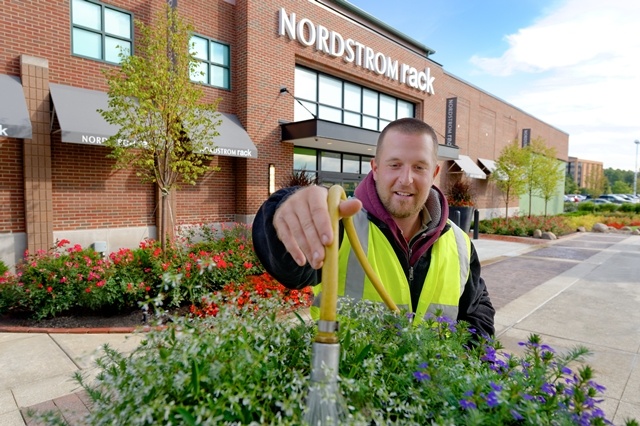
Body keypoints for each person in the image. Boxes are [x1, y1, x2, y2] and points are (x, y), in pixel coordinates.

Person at [252, 117, 495, 337]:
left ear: (434, 173)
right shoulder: (340, 225)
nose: (406, 179)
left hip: (433, 382)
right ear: (376, 169)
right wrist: (281, 208)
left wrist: (465, 358)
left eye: (419, 167)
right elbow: (287, 268)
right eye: (394, 165)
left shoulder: (459, 242)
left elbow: (477, 307)